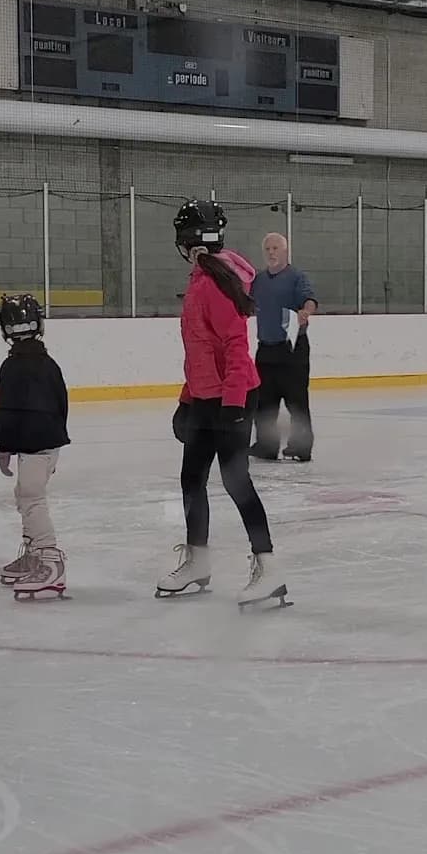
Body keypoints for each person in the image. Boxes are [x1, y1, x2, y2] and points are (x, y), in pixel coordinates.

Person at [156, 200, 289, 608]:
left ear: (188, 243)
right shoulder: (203, 281)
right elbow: (200, 353)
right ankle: (197, 561)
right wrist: (187, 399)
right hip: (205, 396)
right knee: (191, 480)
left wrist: (232, 404)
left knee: (235, 481)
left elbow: (235, 348)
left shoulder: (214, 284)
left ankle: (268, 569)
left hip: (231, 396)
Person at [0, 293, 69, 599]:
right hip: (47, 443)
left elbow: (7, 412)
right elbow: (62, 401)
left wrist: (3, 446)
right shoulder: (48, 363)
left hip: (34, 444)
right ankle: (35, 553)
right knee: (26, 495)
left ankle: (51, 561)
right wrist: (55, 438)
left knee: (31, 496)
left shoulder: (11, 367)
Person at [250, 233, 317, 462]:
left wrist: (306, 311)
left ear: (285, 251)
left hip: (292, 350)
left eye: (276, 248)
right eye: (267, 248)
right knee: (263, 402)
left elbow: (309, 299)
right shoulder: (257, 281)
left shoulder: (296, 277)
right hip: (266, 349)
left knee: (297, 401)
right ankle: (266, 446)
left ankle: (301, 447)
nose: (271, 252)